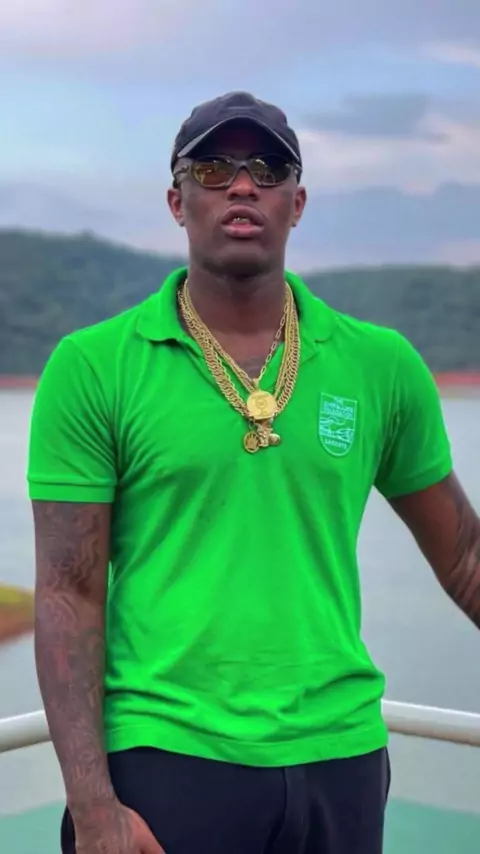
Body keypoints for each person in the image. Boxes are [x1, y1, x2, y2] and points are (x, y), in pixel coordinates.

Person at [27, 91, 479, 854]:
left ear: (296, 204)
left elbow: (464, 555)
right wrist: (93, 807)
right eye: (214, 168)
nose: (242, 185)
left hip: (341, 755)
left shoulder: (380, 365)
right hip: (166, 754)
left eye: (268, 169)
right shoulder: (94, 367)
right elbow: (69, 594)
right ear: (178, 201)